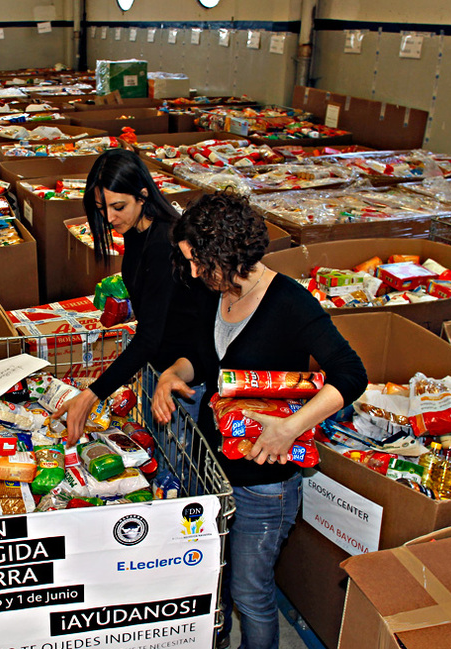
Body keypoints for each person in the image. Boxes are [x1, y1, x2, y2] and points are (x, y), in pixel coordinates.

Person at [152, 191, 367, 649]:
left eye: (198, 262)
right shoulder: (218, 292)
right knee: (218, 581)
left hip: (265, 484)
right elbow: (206, 362)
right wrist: (173, 374)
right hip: (215, 468)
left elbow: (351, 373)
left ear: (225, 254)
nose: (191, 272)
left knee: (251, 593)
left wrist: (289, 429)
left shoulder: (290, 302)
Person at [54, 148, 208, 443]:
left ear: (142, 195)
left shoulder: (164, 242)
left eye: (118, 206)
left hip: (182, 379)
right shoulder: (137, 230)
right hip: (158, 367)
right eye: (101, 208)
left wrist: (91, 396)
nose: (109, 218)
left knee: (175, 470)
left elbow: (150, 337)